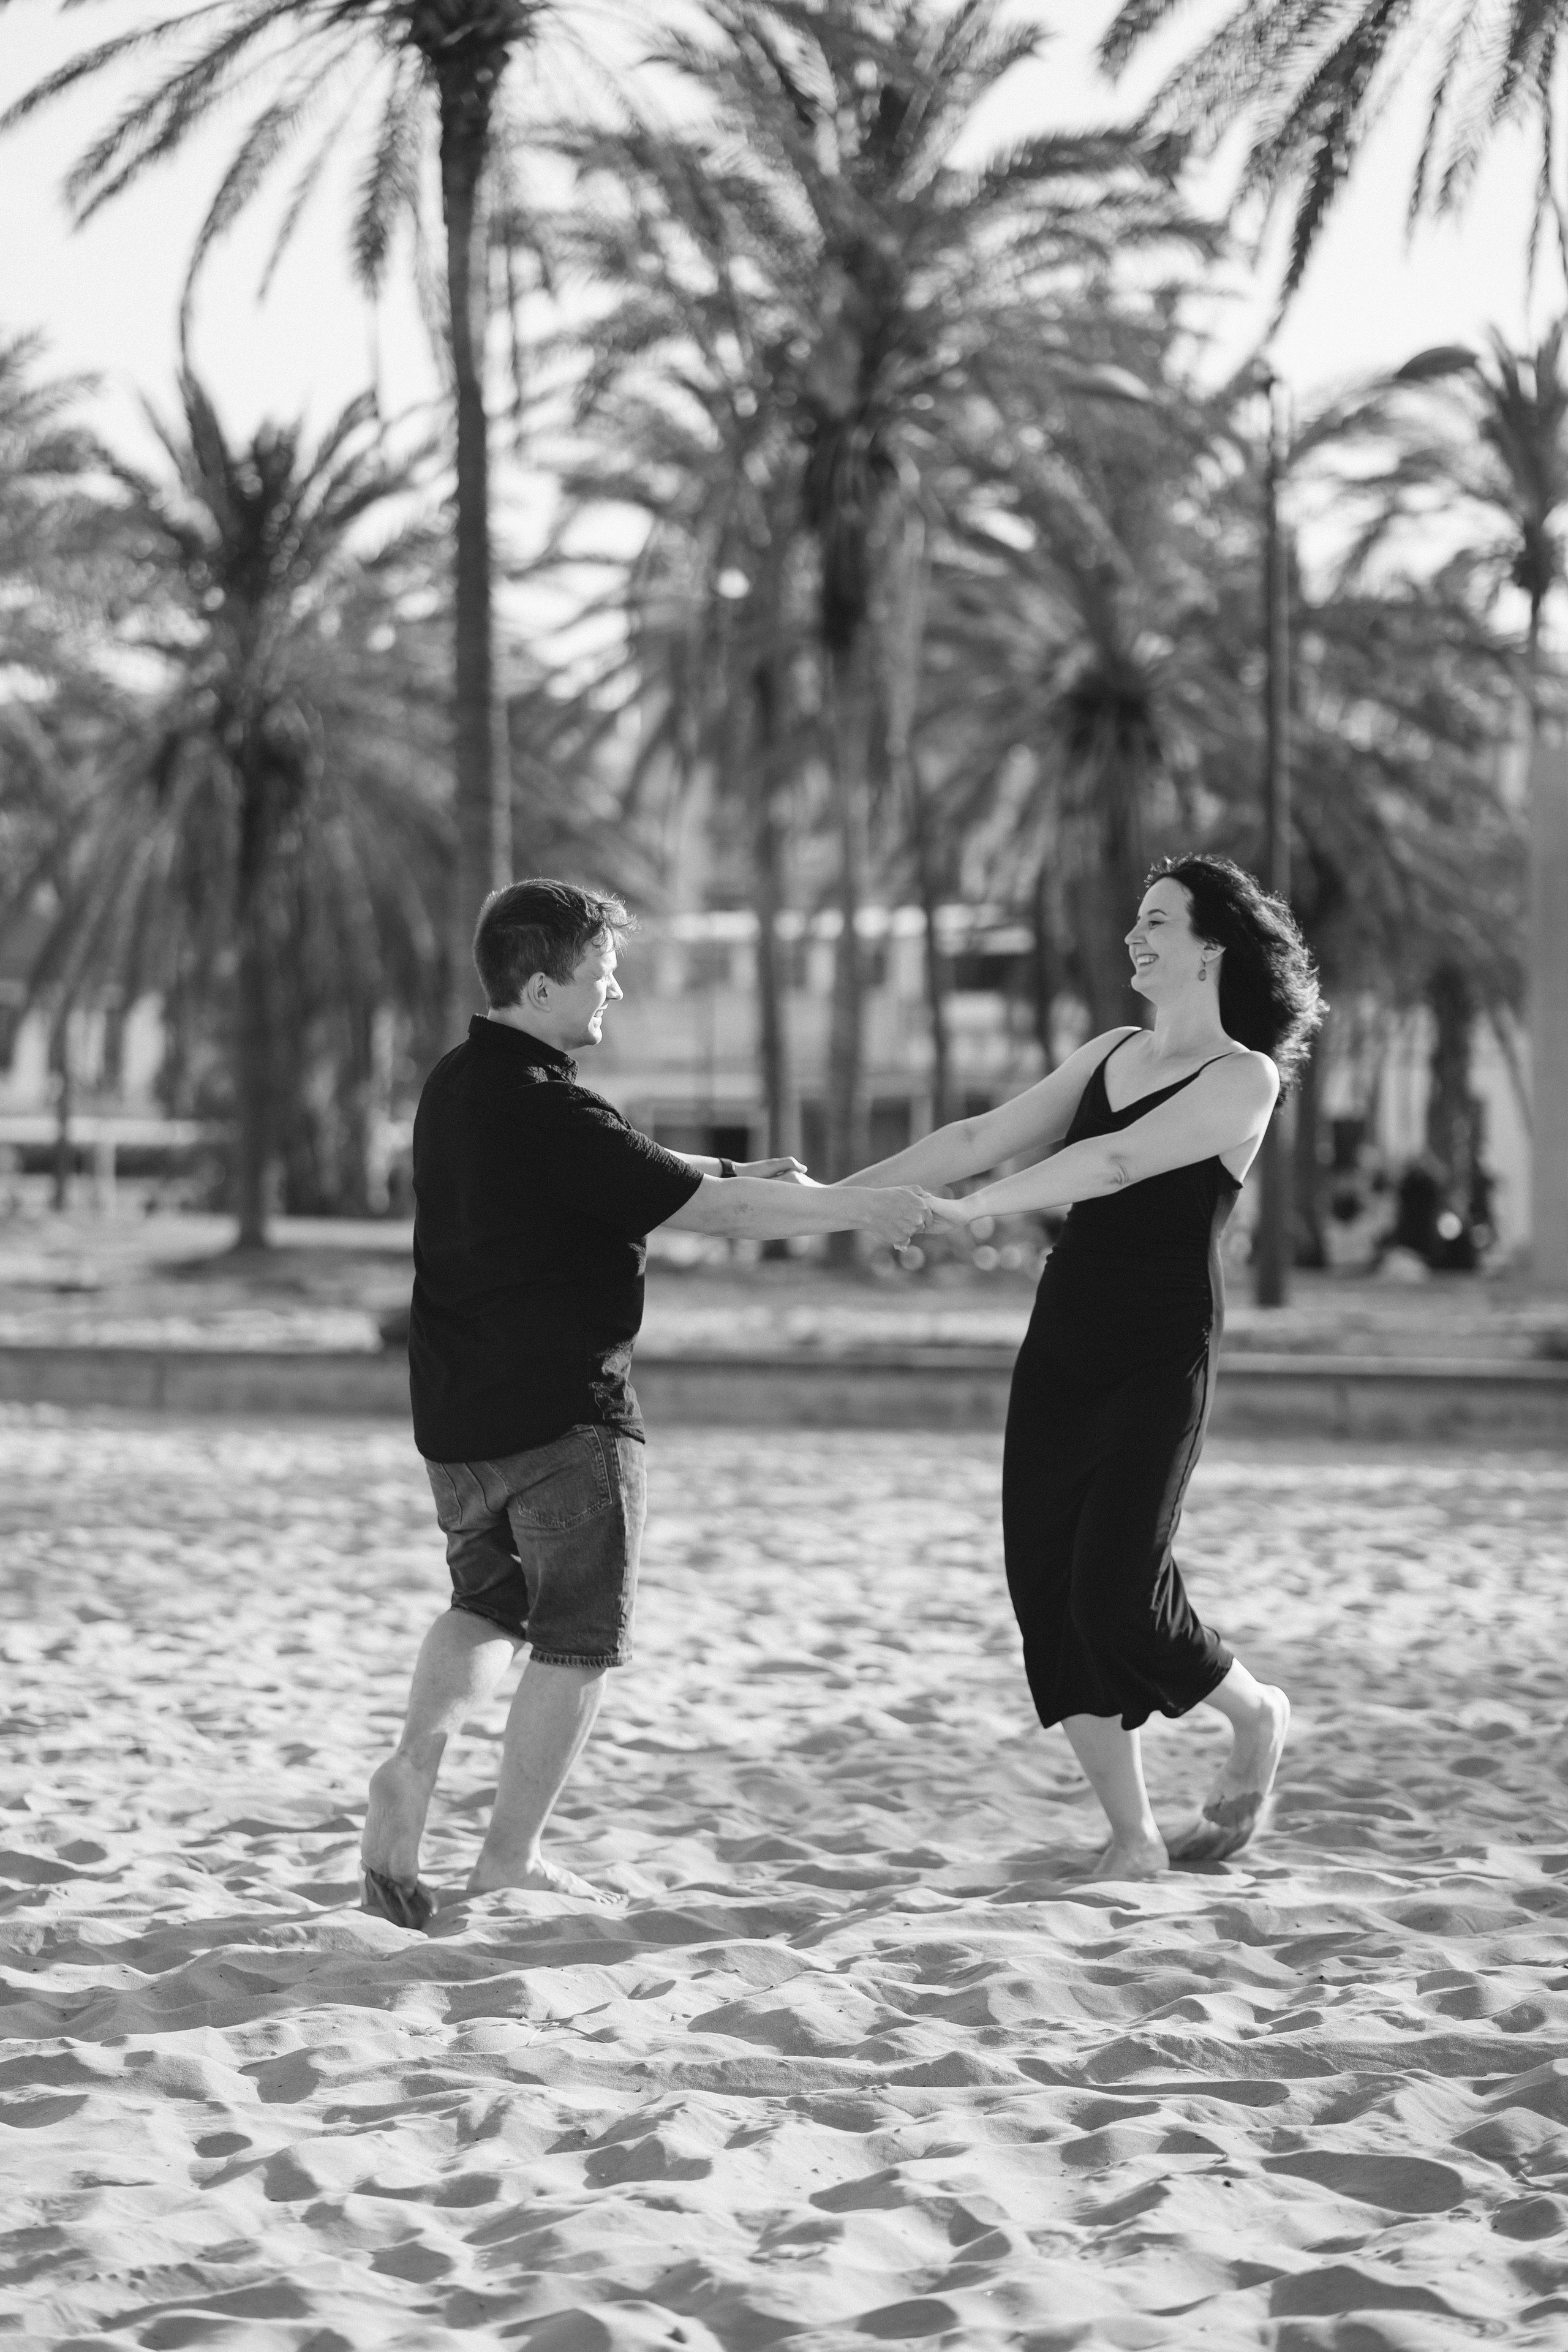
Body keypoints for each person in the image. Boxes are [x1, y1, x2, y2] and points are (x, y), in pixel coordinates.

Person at [360, 878, 936, 1929]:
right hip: (564, 1421)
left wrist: (724, 1164)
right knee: (577, 1641)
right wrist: (866, 1209)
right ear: (540, 986)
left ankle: (412, 1764)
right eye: (599, 973)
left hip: (456, 1420)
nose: (614, 989)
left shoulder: (456, 1085)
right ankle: (510, 1858)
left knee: (484, 1606)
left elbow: (627, 1173)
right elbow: (708, 1217)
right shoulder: (554, 1102)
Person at [843, 856, 1324, 1880]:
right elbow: (978, 1134)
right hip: (1066, 1337)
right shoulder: (1111, 1052)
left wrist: (973, 1212)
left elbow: (1114, 1164)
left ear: (1213, 947)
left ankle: (1255, 1711)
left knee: (1118, 1593)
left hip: (1160, 1348)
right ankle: (1133, 1834)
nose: (1135, 938)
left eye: (1158, 921)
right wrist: (840, 1198)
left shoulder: (1246, 1077)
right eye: (1134, 921)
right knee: (1049, 1588)